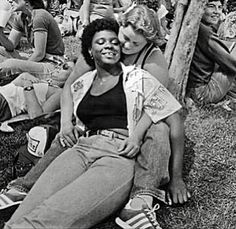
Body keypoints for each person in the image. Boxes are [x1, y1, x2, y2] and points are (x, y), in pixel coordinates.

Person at [0, 5, 190, 229]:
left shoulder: (151, 63)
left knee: (159, 130)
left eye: (135, 44)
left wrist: (175, 176)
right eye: (125, 38)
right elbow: (70, 85)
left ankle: (141, 199)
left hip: (121, 146)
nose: (126, 46)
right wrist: (65, 123)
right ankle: (23, 187)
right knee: (22, 215)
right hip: (88, 139)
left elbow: (161, 110)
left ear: (147, 43)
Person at [186, 0, 236, 106]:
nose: (217, 11)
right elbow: (231, 64)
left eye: (219, 7)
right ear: (200, 8)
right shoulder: (204, 31)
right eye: (211, 6)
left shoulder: (194, 25)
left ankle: (232, 91)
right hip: (203, 93)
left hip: (192, 89)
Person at [0, 0, 65, 79]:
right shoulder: (21, 17)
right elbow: (11, 46)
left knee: (9, 64)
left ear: (27, 2)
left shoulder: (40, 16)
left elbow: (39, 54)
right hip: (38, 59)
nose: (10, 1)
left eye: (15, 0)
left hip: (52, 63)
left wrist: (22, 66)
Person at [0, 59, 75, 122]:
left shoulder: (59, 93)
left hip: (6, 103)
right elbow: (12, 85)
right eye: (60, 64)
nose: (59, 67)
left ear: (74, 76)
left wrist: (28, 86)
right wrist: (23, 76)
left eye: (65, 67)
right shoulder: (42, 80)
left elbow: (37, 117)